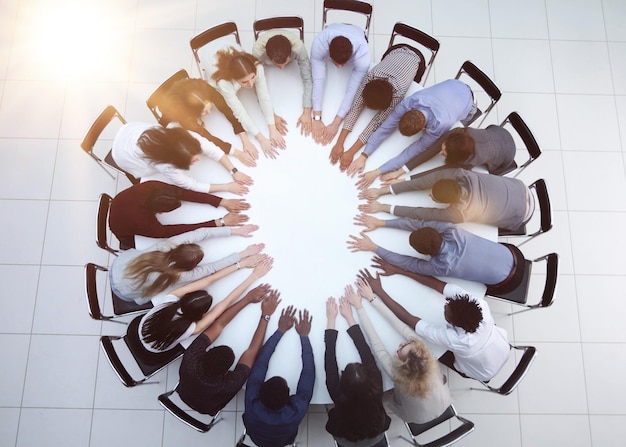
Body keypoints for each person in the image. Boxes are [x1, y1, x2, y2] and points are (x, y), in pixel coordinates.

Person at [364, 259, 510, 382]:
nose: (446, 303)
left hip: (484, 370)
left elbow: (410, 319)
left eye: (447, 309)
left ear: (454, 323)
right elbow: (439, 285)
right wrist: (399, 270)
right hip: (502, 347)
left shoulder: (455, 339)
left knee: (428, 353)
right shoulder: (477, 304)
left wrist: (380, 291)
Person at [345, 275, 451, 424]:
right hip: (444, 402)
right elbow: (399, 325)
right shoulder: (422, 351)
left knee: (393, 396)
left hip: (417, 418)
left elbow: (376, 344)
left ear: (402, 365)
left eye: (401, 350)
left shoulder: (398, 375)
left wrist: (359, 308)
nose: (401, 344)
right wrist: (372, 299)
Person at [348, 216, 525, 295]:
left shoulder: (442, 266)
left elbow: (408, 263)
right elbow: (417, 223)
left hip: (507, 282)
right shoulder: (451, 229)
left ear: (424, 254)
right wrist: (381, 223)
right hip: (514, 254)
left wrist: (374, 247)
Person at [354, 79, 478, 190]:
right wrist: (364, 155)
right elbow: (386, 127)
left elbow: (411, 152)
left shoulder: (440, 125)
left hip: (469, 100)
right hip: (453, 83)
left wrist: (377, 172)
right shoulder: (409, 102)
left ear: (423, 129)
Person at [177, 284, 281, 415]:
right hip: (206, 408)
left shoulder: (191, 358)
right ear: (226, 372)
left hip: (184, 392)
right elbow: (252, 352)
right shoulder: (228, 385)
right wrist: (265, 315)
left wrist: (247, 299)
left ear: (205, 354)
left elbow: (218, 325)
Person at [139, 255, 273, 353]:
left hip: (142, 329)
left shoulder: (169, 299)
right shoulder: (192, 328)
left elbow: (210, 279)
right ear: (202, 314)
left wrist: (241, 264)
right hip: (155, 348)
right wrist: (253, 276)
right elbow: (226, 302)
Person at [109, 226, 262, 304]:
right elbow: (211, 269)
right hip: (124, 292)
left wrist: (234, 230)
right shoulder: (180, 275)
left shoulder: (167, 245)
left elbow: (201, 233)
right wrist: (242, 254)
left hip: (117, 266)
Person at [330, 45, 422, 172]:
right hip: (396, 50)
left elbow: (375, 123)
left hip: (416, 60)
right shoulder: (370, 77)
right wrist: (339, 143)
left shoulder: (398, 93)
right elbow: (356, 107)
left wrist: (351, 152)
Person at [359, 167, 534, 231]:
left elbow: (422, 214)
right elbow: (423, 182)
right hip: (520, 187)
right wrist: (383, 190)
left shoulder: (460, 213)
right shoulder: (461, 174)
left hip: (522, 214)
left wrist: (384, 207)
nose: (428, 194)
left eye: (432, 197)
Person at [242, 306, 315, 447]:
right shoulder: (295, 411)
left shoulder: (252, 401)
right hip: (283, 441)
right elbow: (308, 374)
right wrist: (304, 338)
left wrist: (280, 330)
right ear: (289, 397)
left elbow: (260, 364)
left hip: (256, 438)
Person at [324, 293, 390, 447]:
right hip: (375, 437)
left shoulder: (336, 393)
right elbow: (366, 352)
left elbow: (330, 363)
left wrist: (331, 320)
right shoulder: (376, 386)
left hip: (346, 440)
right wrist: (350, 318)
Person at [111, 123, 252, 194]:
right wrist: (226, 187)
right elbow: (191, 184)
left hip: (129, 130)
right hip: (122, 153)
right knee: (151, 174)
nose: (199, 160)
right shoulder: (164, 165)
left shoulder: (185, 136)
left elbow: (212, 149)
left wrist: (234, 171)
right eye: (193, 160)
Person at [109, 180, 251, 249]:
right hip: (123, 232)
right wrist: (218, 222)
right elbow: (170, 232)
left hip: (120, 204)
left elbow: (184, 192)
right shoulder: (143, 222)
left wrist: (220, 201)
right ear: (159, 212)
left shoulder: (151, 186)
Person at [206, 45, 288, 159]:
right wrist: (261, 139)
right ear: (235, 78)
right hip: (211, 63)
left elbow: (264, 96)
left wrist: (272, 128)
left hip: (228, 45)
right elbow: (240, 112)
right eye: (244, 82)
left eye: (253, 78)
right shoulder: (224, 83)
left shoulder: (257, 67)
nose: (250, 84)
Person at [161, 77, 258, 167]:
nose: (209, 112)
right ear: (192, 113)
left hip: (183, 88)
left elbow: (225, 108)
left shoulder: (205, 89)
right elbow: (206, 137)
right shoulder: (183, 116)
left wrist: (244, 138)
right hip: (169, 106)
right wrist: (237, 153)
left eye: (208, 107)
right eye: (204, 111)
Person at [379, 125, 517, 182]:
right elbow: (431, 149)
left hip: (505, 155)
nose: (439, 152)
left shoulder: (471, 159)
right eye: (443, 148)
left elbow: (442, 172)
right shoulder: (458, 132)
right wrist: (401, 170)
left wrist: (405, 180)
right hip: (498, 132)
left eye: (444, 153)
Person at [310, 23, 370, 145]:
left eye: (343, 63)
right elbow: (318, 79)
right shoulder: (320, 43)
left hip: (358, 32)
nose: (339, 67)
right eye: (336, 63)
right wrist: (316, 116)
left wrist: (336, 122)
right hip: (333, 27)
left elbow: (352, 90)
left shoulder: (363, 56)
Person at [253, 29, 313, 137]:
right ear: (269, 58)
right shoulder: (258, 53)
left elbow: (308, 80)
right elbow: (257, 86)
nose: (282, 68)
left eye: (285, 63)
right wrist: (271, 116)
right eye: (277, 65)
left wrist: (307, 111)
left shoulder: (299, 49)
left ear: (290, 55)